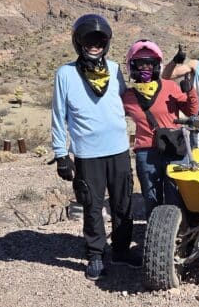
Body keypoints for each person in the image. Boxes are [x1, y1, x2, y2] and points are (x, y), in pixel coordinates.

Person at [50, 14, 139, 282]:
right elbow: (58, 114)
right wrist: (60, 153)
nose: (94, 45)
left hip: (119, 149)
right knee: (92, 205)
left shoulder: (113, 69)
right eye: (89, 40)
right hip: (88, 153)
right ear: (79, 42)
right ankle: (96, 254)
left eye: (99, 40)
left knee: (123, 203)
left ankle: (122, 250)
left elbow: (126, 102)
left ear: (106, 43)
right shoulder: (65, 74)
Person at [121, 39, 199, 218]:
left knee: (176, 195)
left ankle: (176, 236)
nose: (145, 68)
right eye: (141, 63)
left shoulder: (170, 86)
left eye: (150, 63)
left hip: (173, 147)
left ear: (156, 65)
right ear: (132, 66)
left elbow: (191, 111)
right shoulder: (128, 96)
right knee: (151, 197)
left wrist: (190, 91)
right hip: (146, 152)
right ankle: (154, 237)